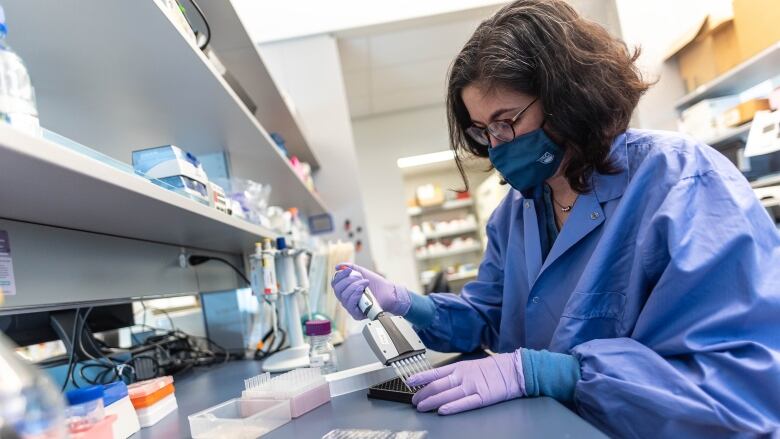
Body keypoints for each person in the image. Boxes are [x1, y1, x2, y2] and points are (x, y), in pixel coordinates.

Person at [331, 0, 780, 437]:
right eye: (483, 131)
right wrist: (406, 302)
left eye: (506, 121)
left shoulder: (681, 182)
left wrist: (553, 372)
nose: (497, 144)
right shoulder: (519, 210)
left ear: (568, 97)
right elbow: (490, 317)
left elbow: (738, 383)